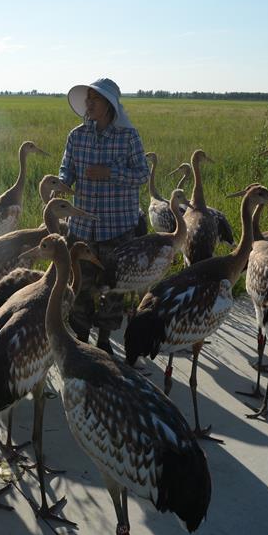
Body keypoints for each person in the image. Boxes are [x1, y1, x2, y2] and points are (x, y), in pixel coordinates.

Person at [58, 77, 150, 354]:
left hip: (117, 228)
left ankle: (104, 342)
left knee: (113, 290)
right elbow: (66, 169)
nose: (89, 104)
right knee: (80, 287)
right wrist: (62, 183)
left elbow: (142, 175)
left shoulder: (128, 137)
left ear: (109, 105)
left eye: (94, 99)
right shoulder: (76, 136)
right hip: (82, 228)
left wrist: (110, 173)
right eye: (88, 99)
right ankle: (81, 341)